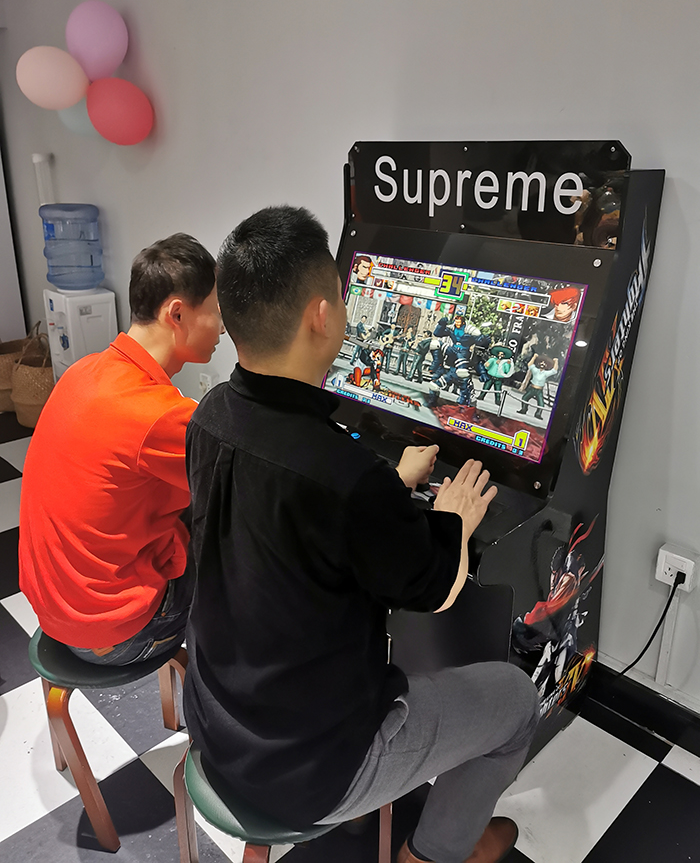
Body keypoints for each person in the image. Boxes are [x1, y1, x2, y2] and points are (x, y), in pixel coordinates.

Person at [183, 205, 540, 863]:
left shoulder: (209, 416)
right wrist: (453, 517)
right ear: (322, 315)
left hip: (217, 722)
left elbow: (292, 524)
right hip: (311, 768)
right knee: (517, 701)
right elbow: (436, 586)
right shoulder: (342, 475)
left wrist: (389, 485)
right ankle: (433, 853)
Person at [19, 234, 223, 665]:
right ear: (177, 313)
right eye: (218, 311)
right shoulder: (159, 415)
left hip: (55, 610)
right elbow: (246, 481)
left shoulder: (84, 370)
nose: (223, 327)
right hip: (115, 633)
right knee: (240, 532)